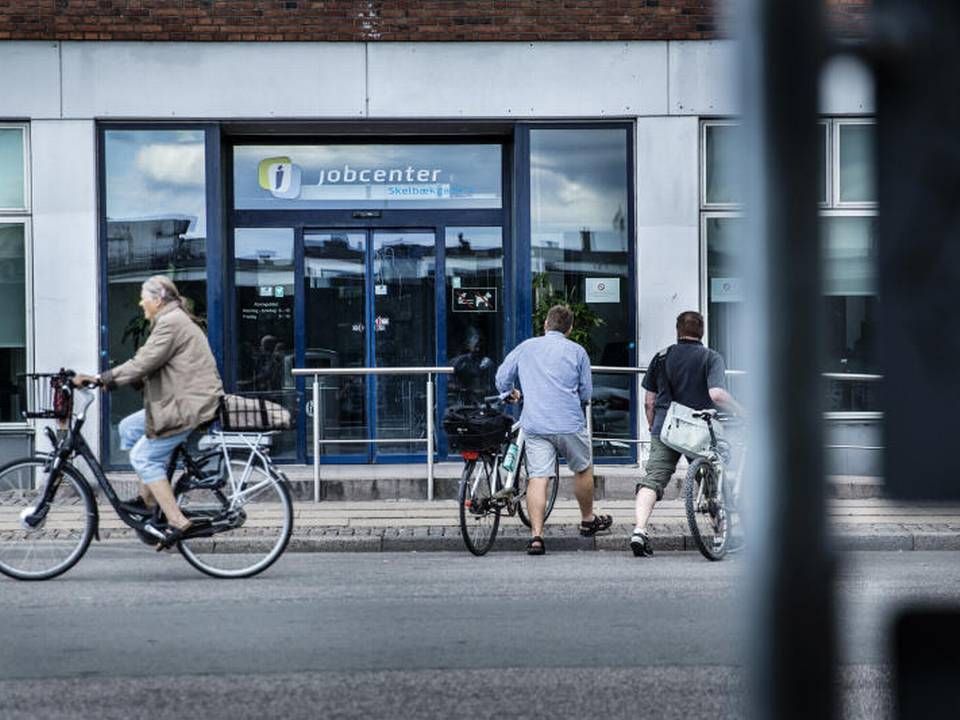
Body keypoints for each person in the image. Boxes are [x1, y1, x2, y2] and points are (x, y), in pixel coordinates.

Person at [74, 275, 224, 549]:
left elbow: (143, 362)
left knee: (143, 457)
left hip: (187, 405)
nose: (140, 302)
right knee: (129, 428)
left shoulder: (171, 323)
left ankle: (177, 521)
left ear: (157, 299)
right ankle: (149, 499)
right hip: (180, 400)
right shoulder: (171, 320)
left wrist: (101, 378)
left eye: (144, 296)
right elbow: (150, 363)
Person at [495, 304, 613, 556]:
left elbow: (503, 375)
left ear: (546, 324)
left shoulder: (526, 347)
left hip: (535, 423)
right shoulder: (578, 351)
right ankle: (587, 519)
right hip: (569, 422)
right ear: (569, 328)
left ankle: (536, 536)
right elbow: (586, 392)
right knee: (582, 469)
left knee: (538, 477)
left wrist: (508, 392)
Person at [632, 311, 741, 557]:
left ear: (677, 330)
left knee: (653, 479)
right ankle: (719, 535)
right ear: (702, 330)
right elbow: (717, 395)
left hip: (666, 428)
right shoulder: (711, 357)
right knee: (711, 481)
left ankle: (639, 530)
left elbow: (649, 401)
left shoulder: (661, 357)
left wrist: (652, 425)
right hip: (700, 432)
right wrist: (742, 411)